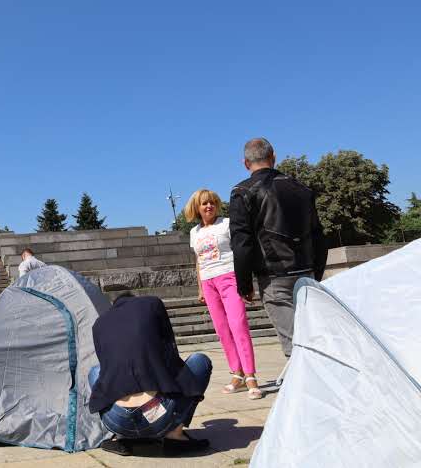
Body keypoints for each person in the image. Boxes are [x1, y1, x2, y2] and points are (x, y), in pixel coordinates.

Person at [229, 138, 328, 357]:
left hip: (274, 275)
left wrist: (244, 284)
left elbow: (241, 242)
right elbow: (318, 234)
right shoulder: (301, 188)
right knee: (314, 339)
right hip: (306, 270)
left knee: (295, 346)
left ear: (245, 163)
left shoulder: (243, 192)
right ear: (273, 157)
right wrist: (316, 272)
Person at [89, 295, 212, 456]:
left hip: (115, 420)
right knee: (199, 361)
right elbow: (170, 348)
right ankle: (174, 434)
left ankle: (121, 436)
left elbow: (107, 367)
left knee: (96, 370)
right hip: (158, 416)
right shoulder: (151, 304)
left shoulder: (98, 324)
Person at [186, 189, 262, 399]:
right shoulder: (195, 233)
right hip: (209, 283)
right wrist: (201, 287)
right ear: (197, 208)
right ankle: (236, 373)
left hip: (229, 277)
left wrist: (246, 282)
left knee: (238, 326)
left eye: (211, 202)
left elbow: (240, 251)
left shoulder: (227, 224)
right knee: (222, 330)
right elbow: (198, 261)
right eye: (204, 204)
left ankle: (250, 375)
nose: (208, 206)